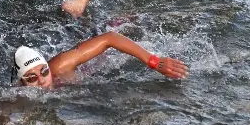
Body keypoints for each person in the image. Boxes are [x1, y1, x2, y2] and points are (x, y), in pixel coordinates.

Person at [13, 32, 188, 89]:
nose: (42, 79)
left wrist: (154, 61)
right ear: (22, 81)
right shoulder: (18, 93)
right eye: (32, 78)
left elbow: (110, 38)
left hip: (101, 60)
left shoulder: (60, 66)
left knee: (124, 25)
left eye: (44, 71)